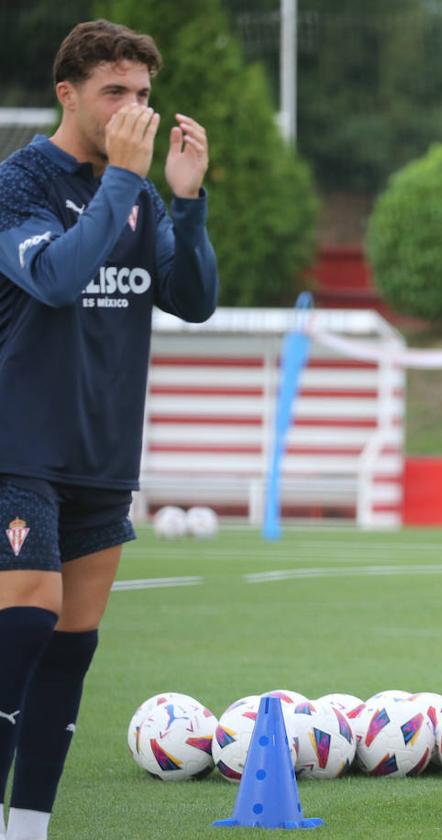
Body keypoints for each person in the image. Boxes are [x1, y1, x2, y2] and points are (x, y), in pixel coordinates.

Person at [0, 19, 218, 840]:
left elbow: (192, 299)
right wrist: (127, 181)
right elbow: (55, 279)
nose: (134, 110)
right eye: (114, 93)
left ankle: (29, 829)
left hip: (103, 452)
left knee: (70, 646)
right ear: (68, 95)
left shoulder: (141, 193)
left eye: (143, 95)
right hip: (18, 447)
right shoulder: (16, 184)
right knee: (22, 622)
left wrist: (188, 202)